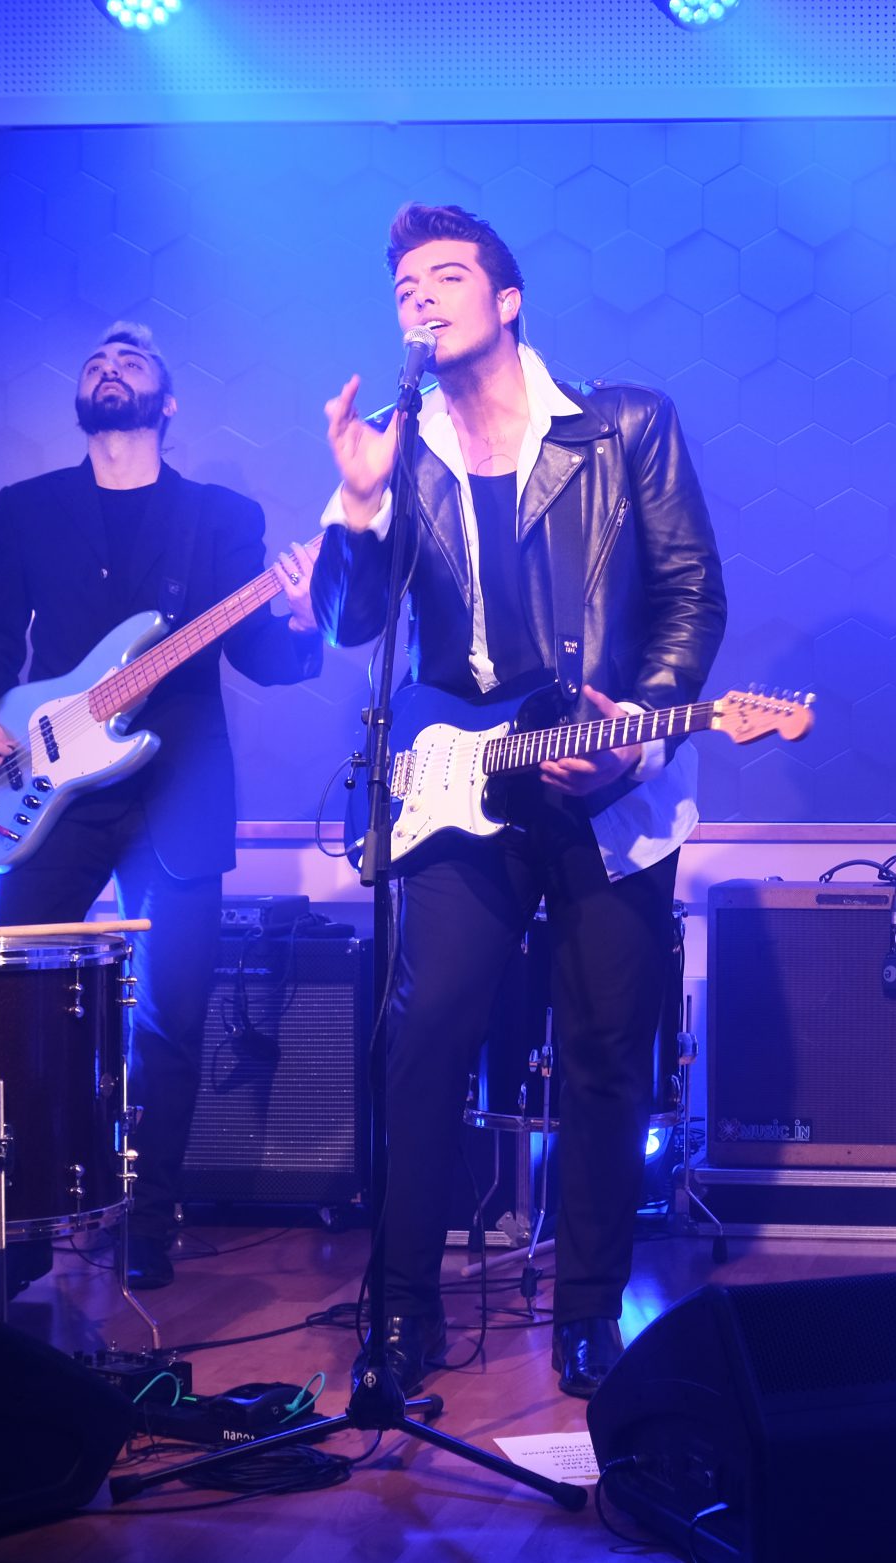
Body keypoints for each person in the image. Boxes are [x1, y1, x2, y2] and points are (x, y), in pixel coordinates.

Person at [311, 204, 725, 1400]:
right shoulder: (399, 454)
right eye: (404, 288)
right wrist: (357, 504)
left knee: (603, 1053)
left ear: (507, 301)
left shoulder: (624, 425)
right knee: (425, 1035)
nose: (420, 298)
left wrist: (632, 740)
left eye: (446, 277)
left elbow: (692, 594)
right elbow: (349, 625)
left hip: (607, 780)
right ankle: (402, 1313)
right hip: (457, 781)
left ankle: (589, 1312)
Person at [0, 321, 323, 1304]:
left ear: (166, 402)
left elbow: (260, 656)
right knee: (16, 1008)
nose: (108, 365)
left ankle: (150, 1219)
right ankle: (21, 1231)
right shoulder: (28, 506)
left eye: (131, 359)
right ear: (83, 399)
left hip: (178, 789)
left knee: (171, 1018)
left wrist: (300, 615)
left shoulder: (220, 517)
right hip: (47, 789)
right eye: (95, 360)